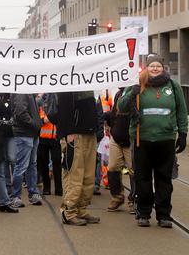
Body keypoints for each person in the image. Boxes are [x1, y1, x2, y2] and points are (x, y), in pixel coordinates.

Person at [118, 55, 187, 228]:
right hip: (143, 140)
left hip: (166, 139)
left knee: (164, 178)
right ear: (146, 68)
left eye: (158, 66)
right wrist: (131, 93)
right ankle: (144, 212)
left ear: (163, 68)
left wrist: (183, 133)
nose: (155, 68)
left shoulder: (173, 86)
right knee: (143, 178)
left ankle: (164, 215)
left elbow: (181, 111)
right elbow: (121, 107)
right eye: (151, 66)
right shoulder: (137, 84)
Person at [57, 91, 99, 226]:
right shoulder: (70, 79)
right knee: (75, 173)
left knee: (88, 175)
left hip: (89, 131)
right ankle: (69, 211)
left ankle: (81, 209)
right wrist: (68, 131)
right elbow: (63, 105)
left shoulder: (88, 77)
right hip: (75, 133)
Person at [10, 93, 43, 207]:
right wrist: (35, 124)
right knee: (22, 166)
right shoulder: (22, 91)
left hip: (31, 134)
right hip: (25, 133)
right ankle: (15, 196)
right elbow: (20, 112)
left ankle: (32, 193)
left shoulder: (28, 92)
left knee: (31, 165)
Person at [105, 87, 134, 213]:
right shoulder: (118, 94)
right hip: (116, 137)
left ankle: (134, 199)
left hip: (131, 139)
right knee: (112, 167)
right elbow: (114, 114)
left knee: (134, 169)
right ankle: (117, 197)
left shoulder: (138, 92)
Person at [37, 93, 62, 196]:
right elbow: (35, 119)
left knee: (57, 161)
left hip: (56, 137)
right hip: (43, 137)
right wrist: (43, 120)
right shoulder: (39, 102)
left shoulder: (58, 100)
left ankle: (59, 188)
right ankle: (46, 188)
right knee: (44, 163)